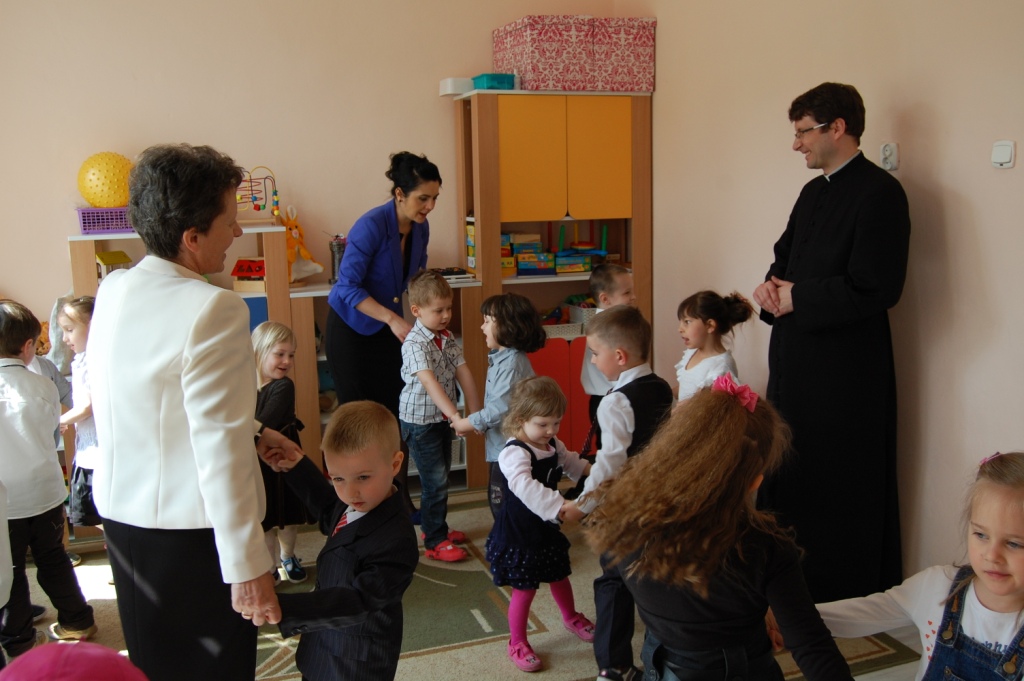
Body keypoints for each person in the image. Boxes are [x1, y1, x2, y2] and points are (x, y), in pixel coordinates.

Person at [88, 144, 299, 680]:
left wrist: (254, 428)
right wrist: (247, 565)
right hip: (191, 534)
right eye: (229, 222)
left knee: (155, 665)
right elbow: (218, 449)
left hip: (125, 519)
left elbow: (146, 395)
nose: (237, 232)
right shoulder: (214, 308)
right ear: (192, 237)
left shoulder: (115, 287)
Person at [752, 82, 911, 602]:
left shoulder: (881, 193)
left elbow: (878, 286)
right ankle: (785, 582)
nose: (796, 143)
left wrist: (799, 297)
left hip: (846, 372)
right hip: (795, 362)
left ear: (837, 128)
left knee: (837, 480)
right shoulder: (811, 192)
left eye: (803, 132)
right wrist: (770, 289)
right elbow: (785, 259)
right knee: (789, 468)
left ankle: (835, 591)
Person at [585, 375, 854, 681]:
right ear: (754, 482)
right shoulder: (766, 549)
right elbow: (812, 646)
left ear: (671, 447)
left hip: (664, 669)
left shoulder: (623, 520)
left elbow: (615, 592)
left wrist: (612, 665)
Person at [810, 451, 1024, 681]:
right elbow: (865, 613)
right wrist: (790, 620)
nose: (992, 555)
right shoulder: (937, 587)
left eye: (1014, 543)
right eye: (981, 535)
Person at [325, 151, 442, 519]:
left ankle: (398, 501)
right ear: (399, 194)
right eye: (423, 198)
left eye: (434, 198)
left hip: (387, 330)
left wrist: (430, 313)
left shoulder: (420, 228)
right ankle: (352, 507)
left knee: (394, 418)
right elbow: (347, 287)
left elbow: (415, 281)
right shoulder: (371, 225)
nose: (429, 206)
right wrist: (393, 320)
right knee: (357, 422)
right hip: (352, 330)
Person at [561, 305, 674, 681]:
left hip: (624, 508)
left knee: (613, 581)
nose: (592, 360)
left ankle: (613, 666)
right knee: (653, 575)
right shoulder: (660, 386)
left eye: (595, 353)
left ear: (620, 356)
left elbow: (609, 465)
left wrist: (581, 506)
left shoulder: (615, 402)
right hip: (657, 500)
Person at [273, 400, 419, 681]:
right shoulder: (357, 501)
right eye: (338, 478)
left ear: (395, 464)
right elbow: (330, 510)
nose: (350, 492)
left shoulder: (397, 539)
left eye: (362, 477)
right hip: (323, 645)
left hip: (356, 664)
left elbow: (359, 601)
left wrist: (284, 608)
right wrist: (297, 466)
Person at [0, 300, 96, 657]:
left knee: (10, 570)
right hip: (45, 493)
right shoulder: (43, 386)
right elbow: (53, 436)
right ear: (28, 346)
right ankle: (78, 619)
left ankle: (19, 639)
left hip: (6, 501)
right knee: (53, 559)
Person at [486, 376, 595, 673]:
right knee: (525, 589)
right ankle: (517, 642)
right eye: (543, 424)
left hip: (545, 528)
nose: (551, 430)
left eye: (556, 422)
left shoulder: (552, 444)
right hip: (520, 532)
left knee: (559, 575)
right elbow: (524, 485)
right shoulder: (514, 452)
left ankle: (570, 617)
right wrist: (559, 506)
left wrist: (596, 471)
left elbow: (571, 462)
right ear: (520, 419)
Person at [398, 270, 480, 562]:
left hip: (441, 419)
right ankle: (434, 540)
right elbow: (429, 382)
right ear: (416, 311)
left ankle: (437, 528)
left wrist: (475, 413)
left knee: (441, 477)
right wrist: (456, 416)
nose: (446, 315)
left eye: (449, 308)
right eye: (438, 310)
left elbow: (463, 372)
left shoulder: (446, 337)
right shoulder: (414, 343)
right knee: (435, 481)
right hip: (420, 422)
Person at [450, 292, 546, 517]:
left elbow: (497, 410)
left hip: (509, 449)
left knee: (501, 501)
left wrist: (466, 423)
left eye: (487, 321)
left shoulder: (511, 364)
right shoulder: (502, 358)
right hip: (501, 446)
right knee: (500, 498)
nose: (482, 327)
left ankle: (508, 535)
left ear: (507, 327)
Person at [566, 264, 638, 501]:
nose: (633, 297)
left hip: (617, 396)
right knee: (608, 448)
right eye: (627, 293)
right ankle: (598, 492)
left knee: (618, 445)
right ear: (605, 299)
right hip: (604, 397)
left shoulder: (618, 322)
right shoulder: (604, 327)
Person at [251, 321, 314, 584]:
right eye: (280, 354)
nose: (287, 361)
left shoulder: (283, 386)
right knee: (264, 518)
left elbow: (265, 421)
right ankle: (270, 565)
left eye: (291, 355)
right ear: (259, 352)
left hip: (282, 458)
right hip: (256, 461)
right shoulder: (245, 386)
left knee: (287, 517)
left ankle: (288, 556)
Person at [56, 296, 102, 528]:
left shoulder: (93, 361)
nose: (65, 339)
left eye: (69, 330)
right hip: (87, 450)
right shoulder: (81, 360)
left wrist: (58, 421)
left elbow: (86, 406)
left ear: (92, 326)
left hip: (98, 455)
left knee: (99, 512)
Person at [674, 290, 753, 402]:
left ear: (710, 325)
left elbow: (713, 406)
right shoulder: (691, 353)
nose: (680, 329)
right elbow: (686, 387)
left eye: (687, 322)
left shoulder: (722, 366)